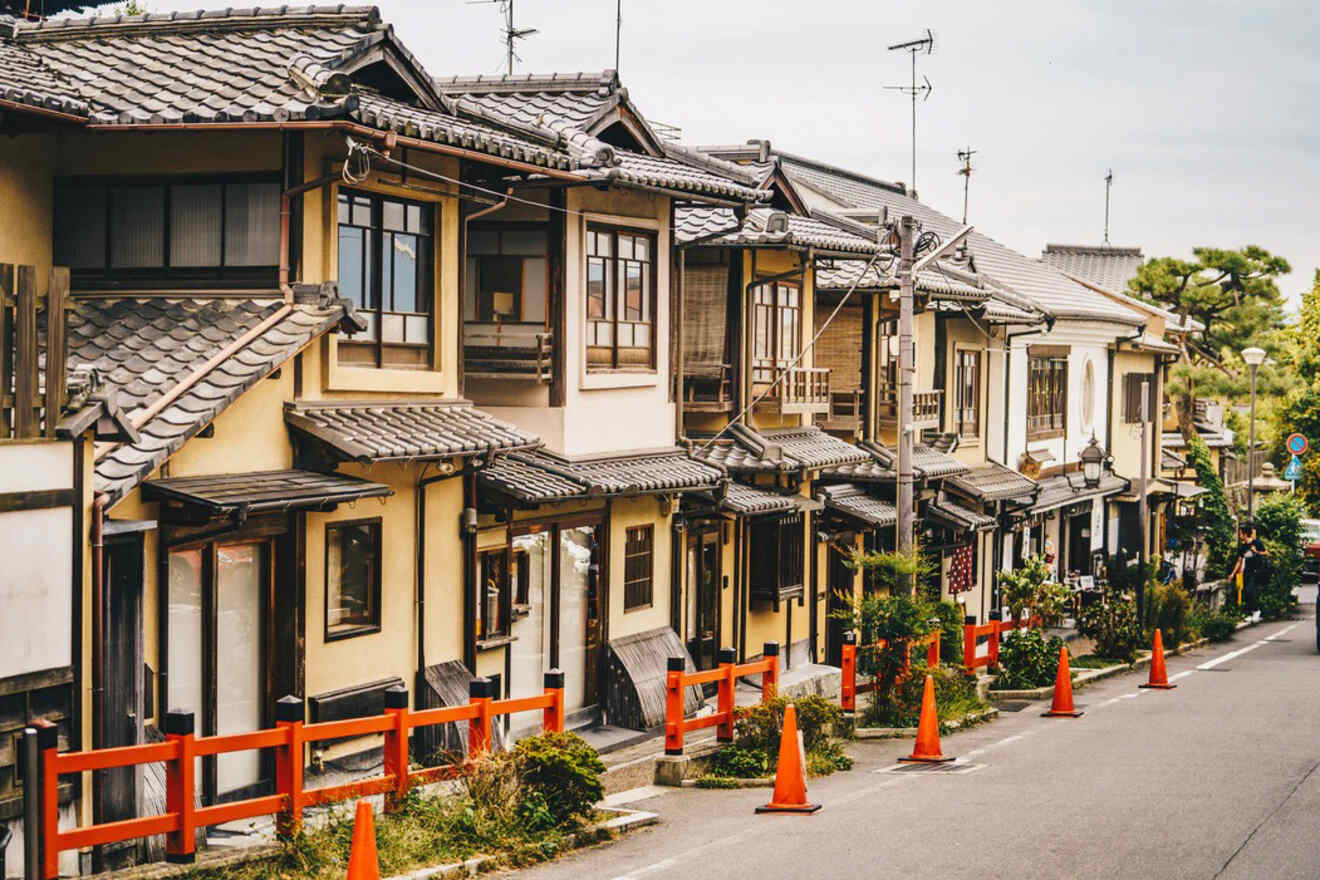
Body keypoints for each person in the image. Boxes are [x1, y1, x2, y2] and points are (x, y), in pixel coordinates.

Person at [1230, 522, 1269, 611]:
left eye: (1240, 534)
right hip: (1247, 571)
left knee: (1250, 591)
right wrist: (1233, 573)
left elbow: (1266, 553)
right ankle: (1251, 612)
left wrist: (1257, 552)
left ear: (1245, 534)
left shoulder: (1257, 543)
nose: (1239, 536)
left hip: (1256, 571)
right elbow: (1239, 561)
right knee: (1245, 593)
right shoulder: (1243, 547)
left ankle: (1256, 611)